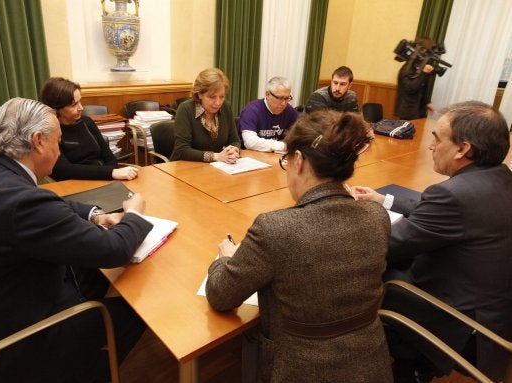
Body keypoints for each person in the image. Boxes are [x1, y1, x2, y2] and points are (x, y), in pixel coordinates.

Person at [0, 98, 153, 383]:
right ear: (38, 141)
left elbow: (49, 204)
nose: (60, 149)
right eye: (58, 141)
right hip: (6, 345)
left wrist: (96, 215)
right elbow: (114, 250)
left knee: (94, 270)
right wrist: (134, 215)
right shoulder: (21, 202)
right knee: (139, 310)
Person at [205, 111, 392, 382]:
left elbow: (221, 296)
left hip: (299, 368)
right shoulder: (377, 216)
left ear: (300, 161)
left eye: (286, 161)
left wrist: (226, 259)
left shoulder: (275, 229)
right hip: (371, 363)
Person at [351, 101, 512, 382]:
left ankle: (393, 363)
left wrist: (339, 219)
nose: (431, 146)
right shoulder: (499, 178)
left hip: (460, 324)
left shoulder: (453, 196)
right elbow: (446, 211)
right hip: (495, 313)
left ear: (463, 149)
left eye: (437, 138)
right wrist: (383, 199)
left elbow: (386, 245)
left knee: (367, 269)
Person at [40, 77, 138, 181]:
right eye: (74, 105)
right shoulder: (49, 131)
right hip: (74, 183)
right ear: (56, 109)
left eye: (80, 101)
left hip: (103, 178)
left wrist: (112, 176)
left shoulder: (87, 122)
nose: (81, 108)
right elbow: (64, 170)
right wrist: (111, 173)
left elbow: (109, 157)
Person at [170, 67, 241, 163]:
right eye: (212, 97)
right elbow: (182, 150)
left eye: (222, 97)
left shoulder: (226, 107)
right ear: (199, 94)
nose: (218, 103)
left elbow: (234, 140)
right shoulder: (185, 109)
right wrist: (215, 156)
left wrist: (233, 151)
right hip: (185, 168)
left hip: (216, 167)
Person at [237, 76, 298, 152]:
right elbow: (250, 142)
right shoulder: (251, 110)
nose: (283, 103)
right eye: (280, 98)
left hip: (275, 157)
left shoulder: (290, 112)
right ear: (268, 94)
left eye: (287, 98)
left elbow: (298, 139)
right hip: (251, 156)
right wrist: (282, 145)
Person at [395, 36, 436, 120]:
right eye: (425, 50)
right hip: (407, 113)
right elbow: (411, 88)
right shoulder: (407, 68)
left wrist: (427, 102)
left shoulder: (419, 67)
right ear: (421, 49)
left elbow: (423, 88)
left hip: (419, 111)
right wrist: (424, 73)